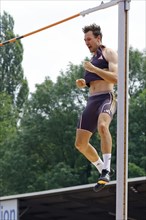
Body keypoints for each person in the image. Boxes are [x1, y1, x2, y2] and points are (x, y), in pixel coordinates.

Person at [75, 24, 118, 192]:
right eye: (85, 40)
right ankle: (102, 170)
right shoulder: (92, 59)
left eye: (89, 39)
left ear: (98, 38)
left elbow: (115, 78)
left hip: (106, 98)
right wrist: (83, 82)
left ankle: (107, 169)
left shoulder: (108, 53)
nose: (86, 42)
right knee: (80, 144)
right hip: (91, 101)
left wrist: (93, 69)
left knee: (102, 126)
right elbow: (94, 80)